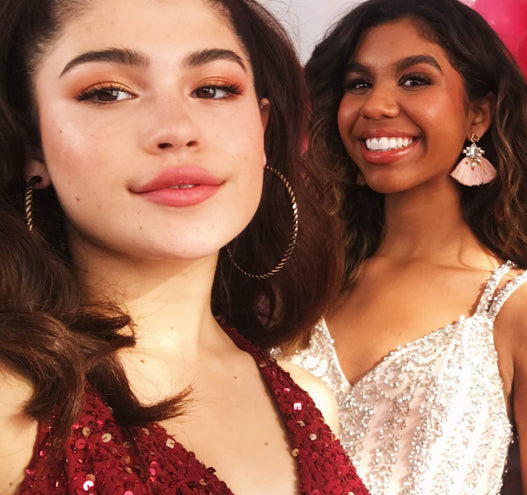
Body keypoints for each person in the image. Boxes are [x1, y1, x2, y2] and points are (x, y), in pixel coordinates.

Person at [0, 0, 367, 493]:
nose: (178, 129)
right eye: (108, 92)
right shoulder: (11, 404)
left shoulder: (312, 400)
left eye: (214, 89)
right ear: (32, 145)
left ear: (261, 129)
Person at [287, 0, 527, 493]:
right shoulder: (304, 281)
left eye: (414, 80)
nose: (376, 106)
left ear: (479, 114)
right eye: (358, 84)